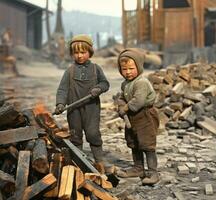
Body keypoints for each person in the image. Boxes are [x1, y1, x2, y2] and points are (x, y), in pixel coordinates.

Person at [54, 34, 110, 173]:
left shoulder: (96, 69)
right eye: (76, 53)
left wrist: (98, 89)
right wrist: (60, 104)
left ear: (90, 52)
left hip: (91, 109)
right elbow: (62, 89)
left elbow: (105, 83)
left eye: (83, 52)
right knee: (76, 136)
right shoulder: (70, 70)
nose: (79, 56)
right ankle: (80, 164)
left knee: (93, 134)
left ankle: (99, 162)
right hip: (74, 109)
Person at [116, 48, 160, 185]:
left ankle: (153, 172)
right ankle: (138, 168)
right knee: (134, 142)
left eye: (131, 68)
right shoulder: (125, 84)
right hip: (132, 117)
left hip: (145, 115)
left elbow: (138, 101)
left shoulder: (141, 82)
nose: (128, 72)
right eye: (124, 69)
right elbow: (122, 97)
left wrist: (126, 107)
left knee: (147, 144)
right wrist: (121, 104)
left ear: (139, 67)